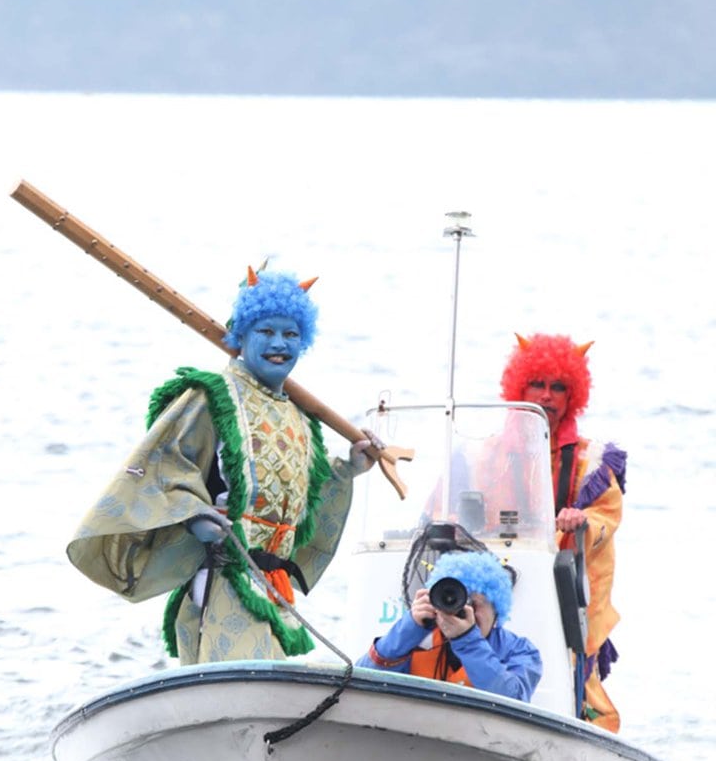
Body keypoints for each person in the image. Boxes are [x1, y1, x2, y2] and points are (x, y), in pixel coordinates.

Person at [67, 267, 377, 664]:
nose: (279, 344)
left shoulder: (301, 418)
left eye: (290, 335)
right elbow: (165, 464)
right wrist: (194, 513)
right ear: (240, 336)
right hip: (223, 581)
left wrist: (347, 469)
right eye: (265, 332)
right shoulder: (211, 397)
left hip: (277, 592)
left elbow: (300, 497)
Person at [500, 332, 626, 731]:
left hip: (564, 590)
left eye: (558, 387)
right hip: (503, 581)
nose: (547, 396)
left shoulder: (593, 461)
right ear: (519, 387)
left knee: (582, 687)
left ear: (573, 396)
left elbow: (608, 518)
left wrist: (582, 521)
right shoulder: (488, 452)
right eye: (537, 384)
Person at [357, 550, 542, 703]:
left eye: (475, 603)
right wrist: (409, 627)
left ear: (497, 611)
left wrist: (467, 640)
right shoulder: (417, 639)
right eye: (456, 600)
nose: (465, 609)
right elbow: (361, 682)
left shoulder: (520, 650)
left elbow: (514, 700)